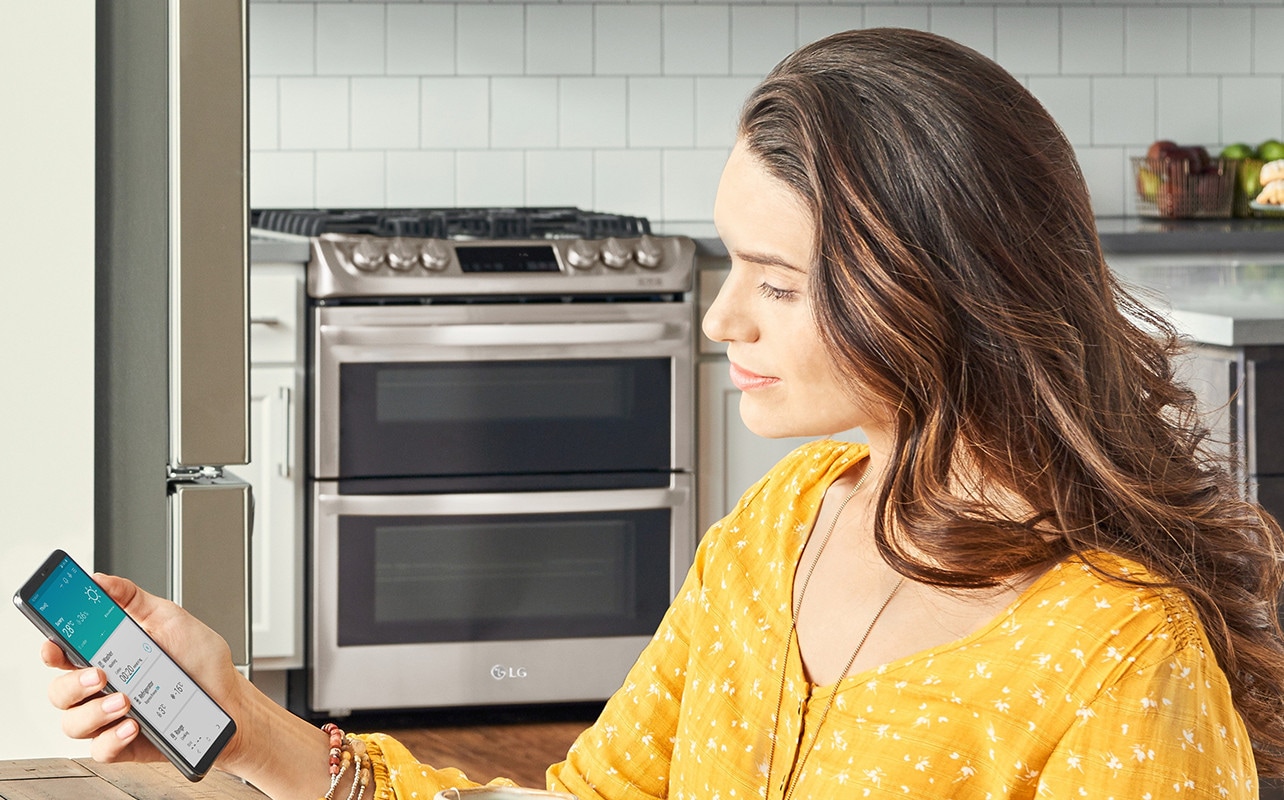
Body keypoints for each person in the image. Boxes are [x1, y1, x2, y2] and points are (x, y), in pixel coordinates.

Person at [41, 27, 1284, 799]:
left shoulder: (1123, 665)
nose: (718, 320)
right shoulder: (781, 528)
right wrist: (248, 726)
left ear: (944, 295)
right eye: (726, 262)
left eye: (778, 283)